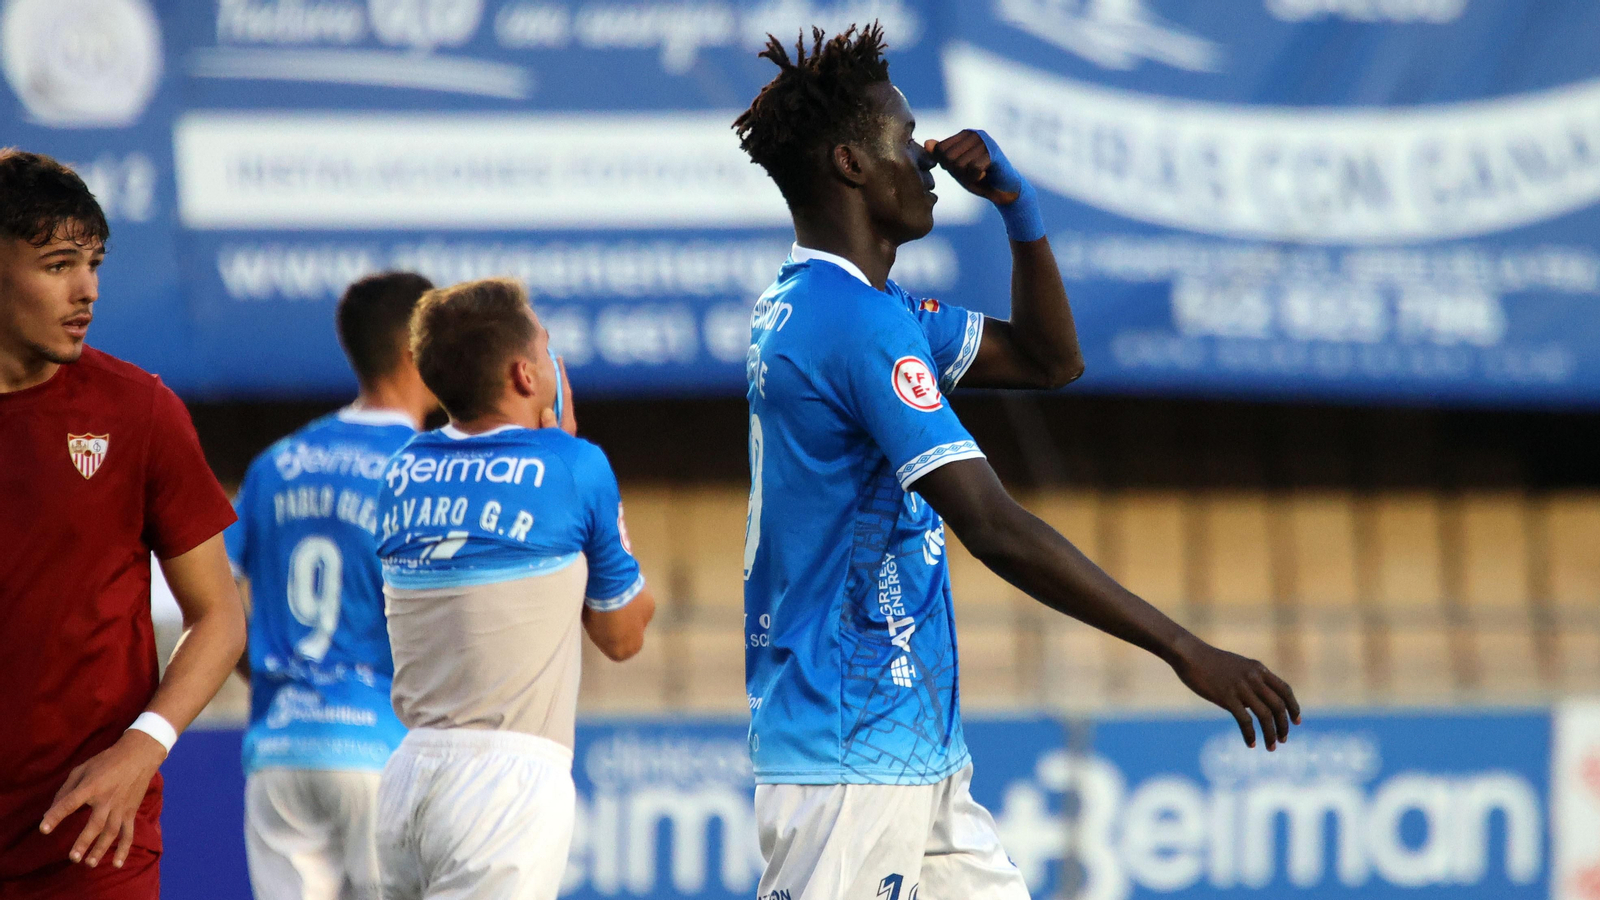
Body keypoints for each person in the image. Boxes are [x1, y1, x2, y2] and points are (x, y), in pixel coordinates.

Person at [732, 26, 1302, 900]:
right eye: (906, 137)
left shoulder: (844, 304)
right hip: (848, 749)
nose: (927, 159)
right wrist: (1185, 649)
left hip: (911, 745)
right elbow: (991, 524)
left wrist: (1018, 211)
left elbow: (1049, 361)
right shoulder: (853, 325)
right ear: (851, 164)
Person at [0, 149, 246, 897]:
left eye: (94, 263)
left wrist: (144, 746)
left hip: (94, 833)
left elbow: (220, 616)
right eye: (57, 265)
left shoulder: (139, 412)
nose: (86, 292)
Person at [372, 278, 655, 900]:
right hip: (504, 786)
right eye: (548, 345)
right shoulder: (575, 468)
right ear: (526, 376)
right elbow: (624, 634)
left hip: (404, 780)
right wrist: (569, 459)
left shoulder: (402, 472)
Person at [226, 272, 439, 900]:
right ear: (414, 351)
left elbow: (207, 596)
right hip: (380, 746)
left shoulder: (276, 462)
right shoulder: (424, 469)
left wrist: (269, 671)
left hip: (280, 748)